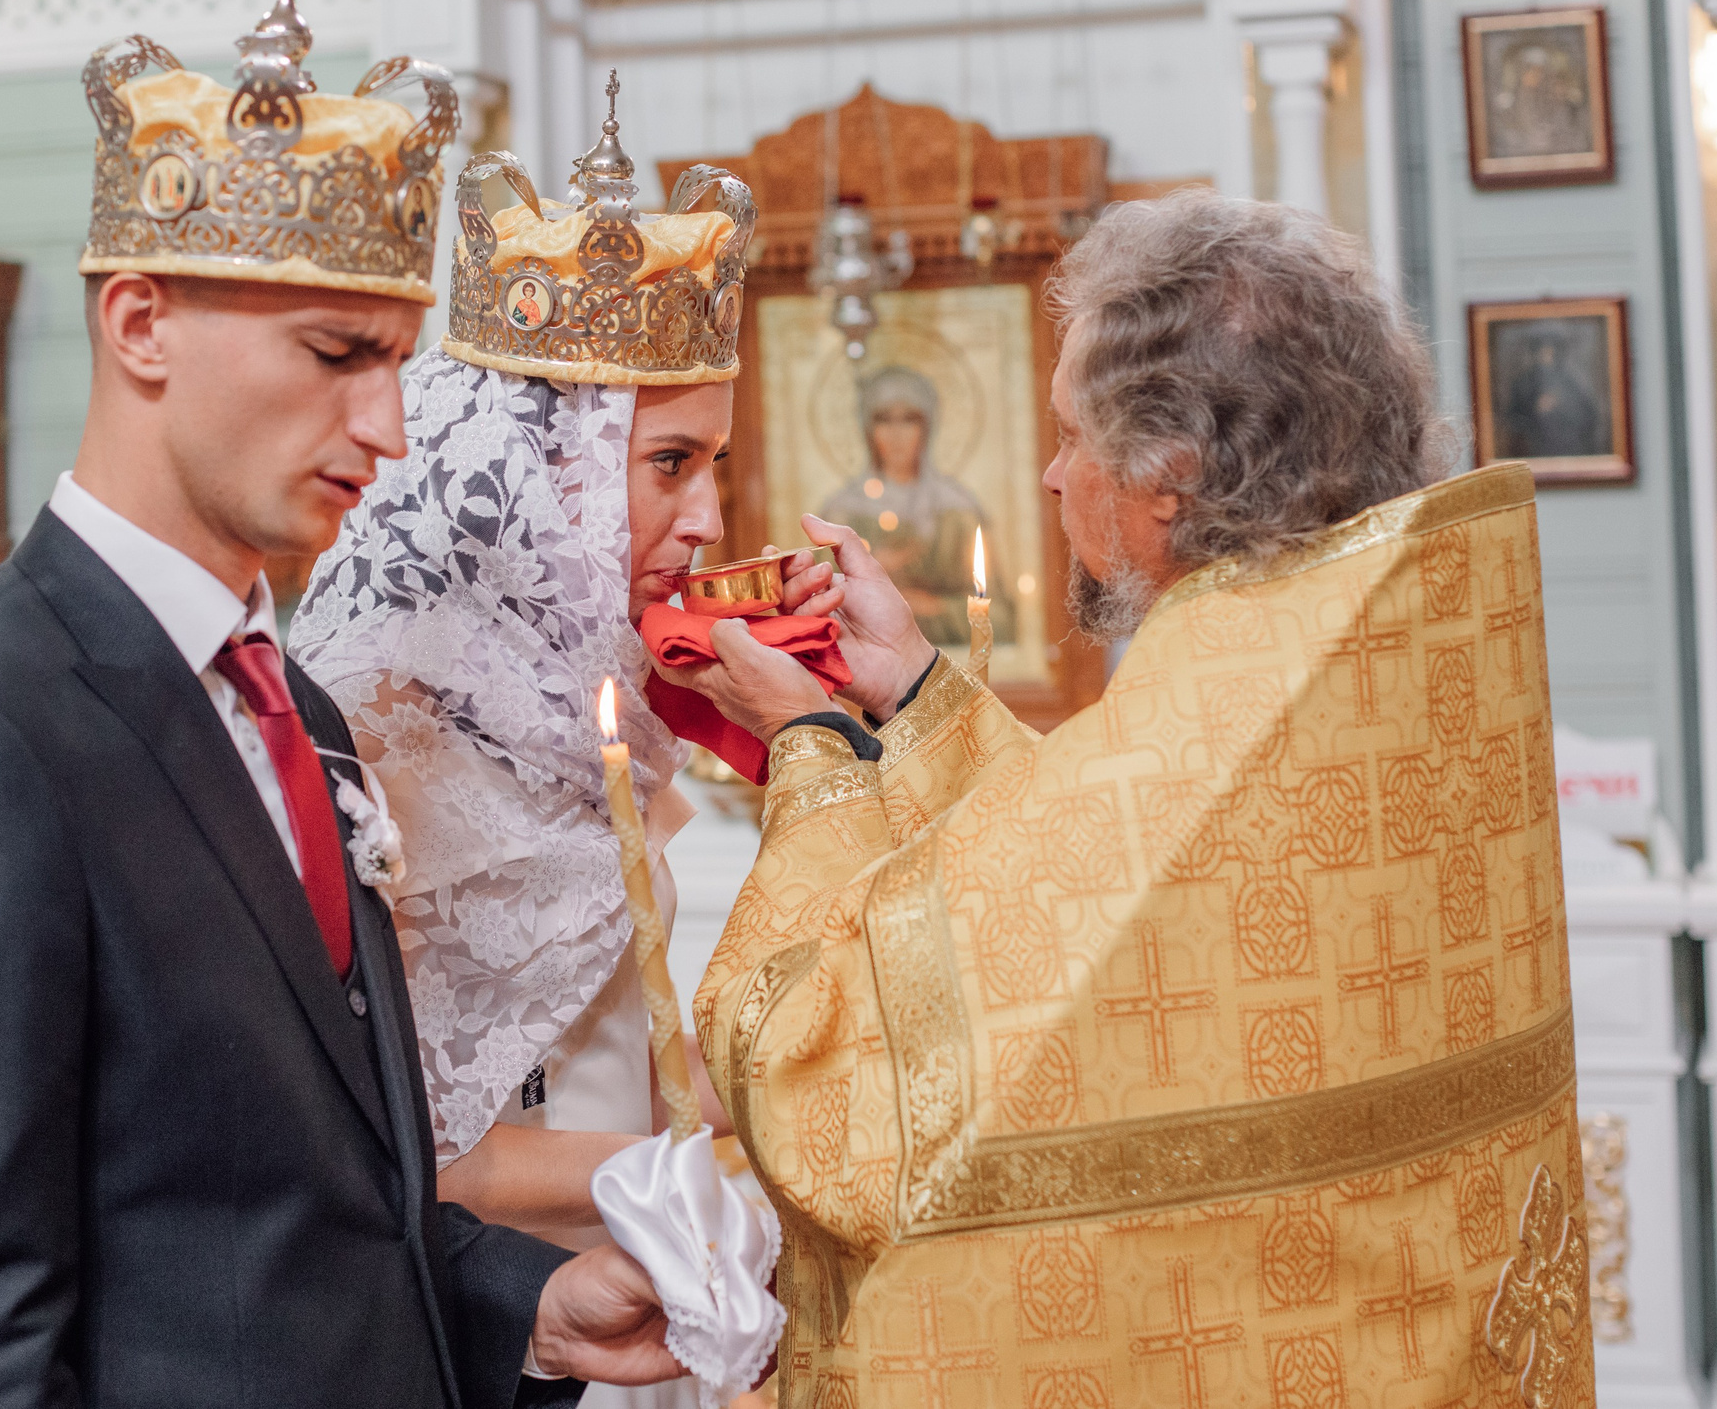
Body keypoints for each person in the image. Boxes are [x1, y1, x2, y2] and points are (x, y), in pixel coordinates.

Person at [0, 0, 677, 1409]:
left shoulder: (299, 706)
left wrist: (526, 1303)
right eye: (337, 354)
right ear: (141, 323)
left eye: (397, 361)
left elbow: (313, 1207)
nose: (388, 425)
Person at [660, 189, 1595, 1405]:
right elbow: (1116, 889)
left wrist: (811, 744)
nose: (1050, 477)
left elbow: (822, 1082)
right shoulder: (1359, 683)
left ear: (1169, 475)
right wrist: (917, 696)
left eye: (1071, 435)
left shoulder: (1225, 714)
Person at [293, 98, 755, 1332]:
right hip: (489, 1315)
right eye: (670, 463)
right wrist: (694, 1173)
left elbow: (641, 1046)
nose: (706, 517)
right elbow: (393, 1147)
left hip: (649, 1284)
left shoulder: (594, 708)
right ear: (536, 473)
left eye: (713, 462)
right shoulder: (368, 726)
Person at [815, 365, 1007, 647]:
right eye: (884, 420)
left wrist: (932, 607)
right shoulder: (841, 512)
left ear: (928, 426)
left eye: (909, 420)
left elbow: (1000, 617)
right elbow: (819, 612)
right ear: (868, 428)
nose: (896, 434)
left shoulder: (958, 512)